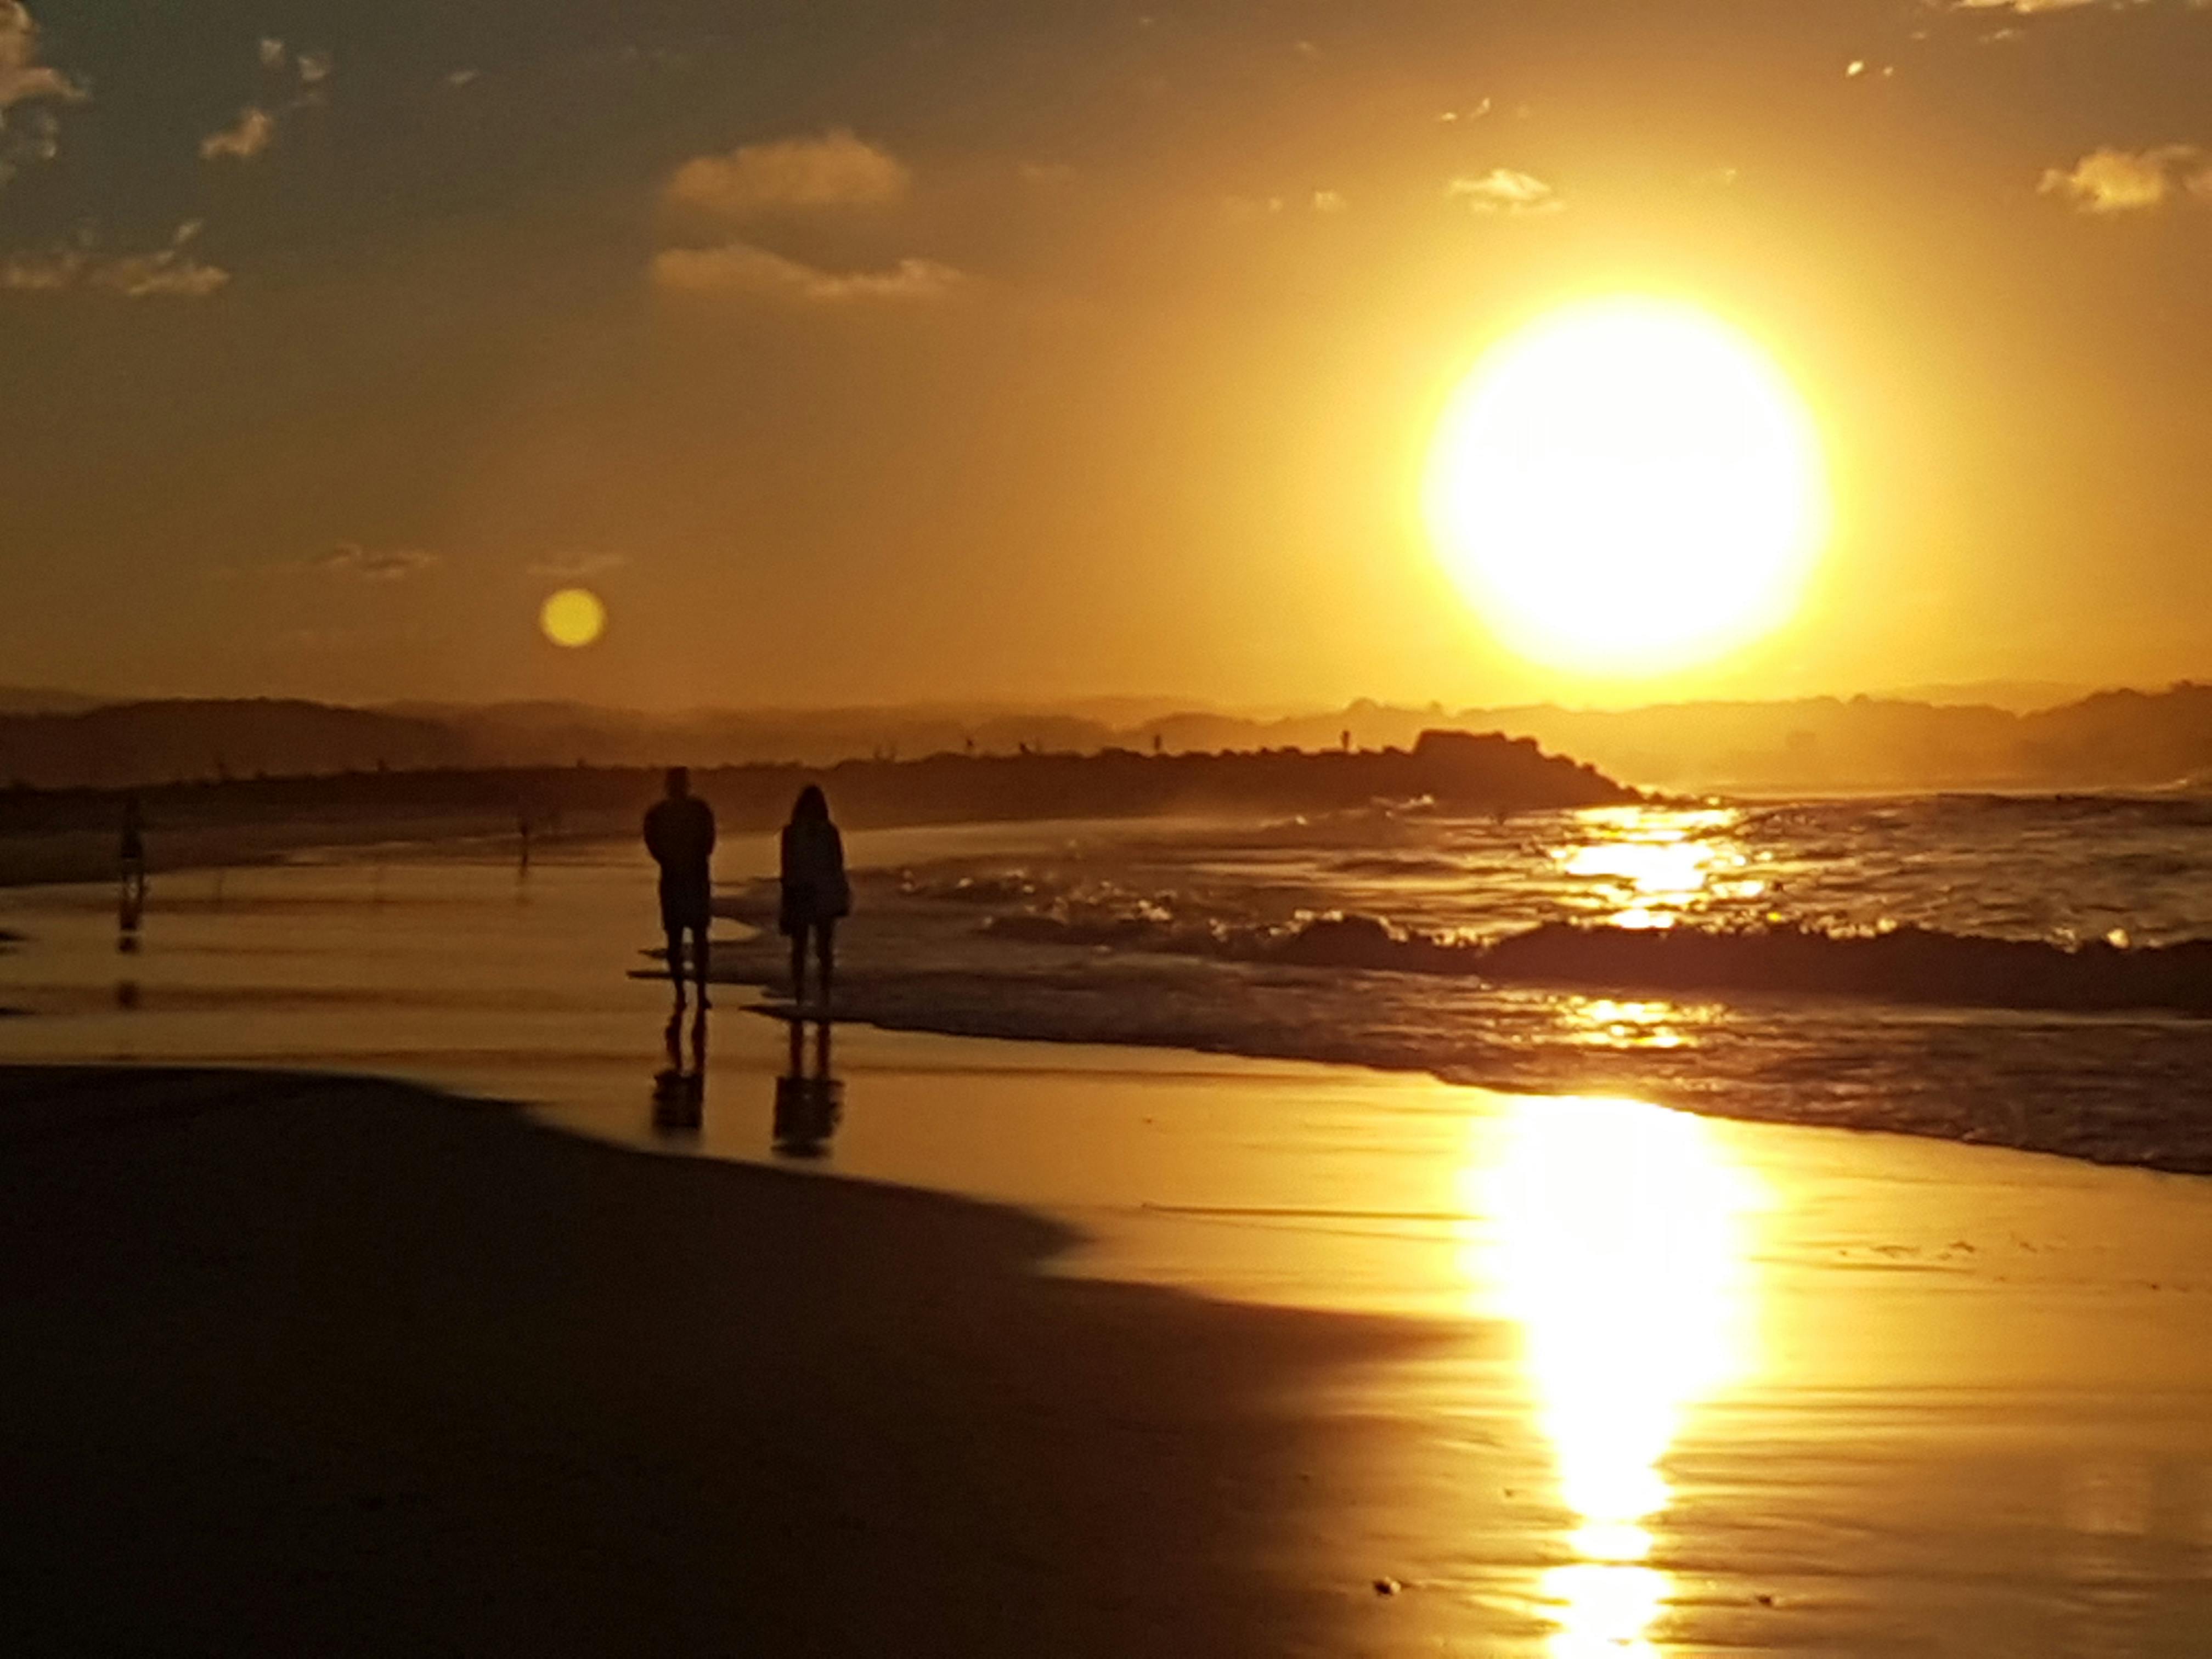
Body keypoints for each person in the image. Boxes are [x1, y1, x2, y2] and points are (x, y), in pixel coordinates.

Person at [643, 767, 716, 1007]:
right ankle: (695, 992)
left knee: (679, 939)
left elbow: (653, 843)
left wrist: (669, 859)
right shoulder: (698, 811)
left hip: (678, 878)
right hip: (691, 878)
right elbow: (709, 843)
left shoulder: (660, 813)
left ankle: (683, 993)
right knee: (695, 939)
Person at [779, 785, 849, 1011]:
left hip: (816, 891)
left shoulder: (824, 832)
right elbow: (788, 867)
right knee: (805, 947)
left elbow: (837, 865)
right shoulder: (798, 833)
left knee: (820, 948)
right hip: (805, 891)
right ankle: (805, 991)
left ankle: (821, 992)